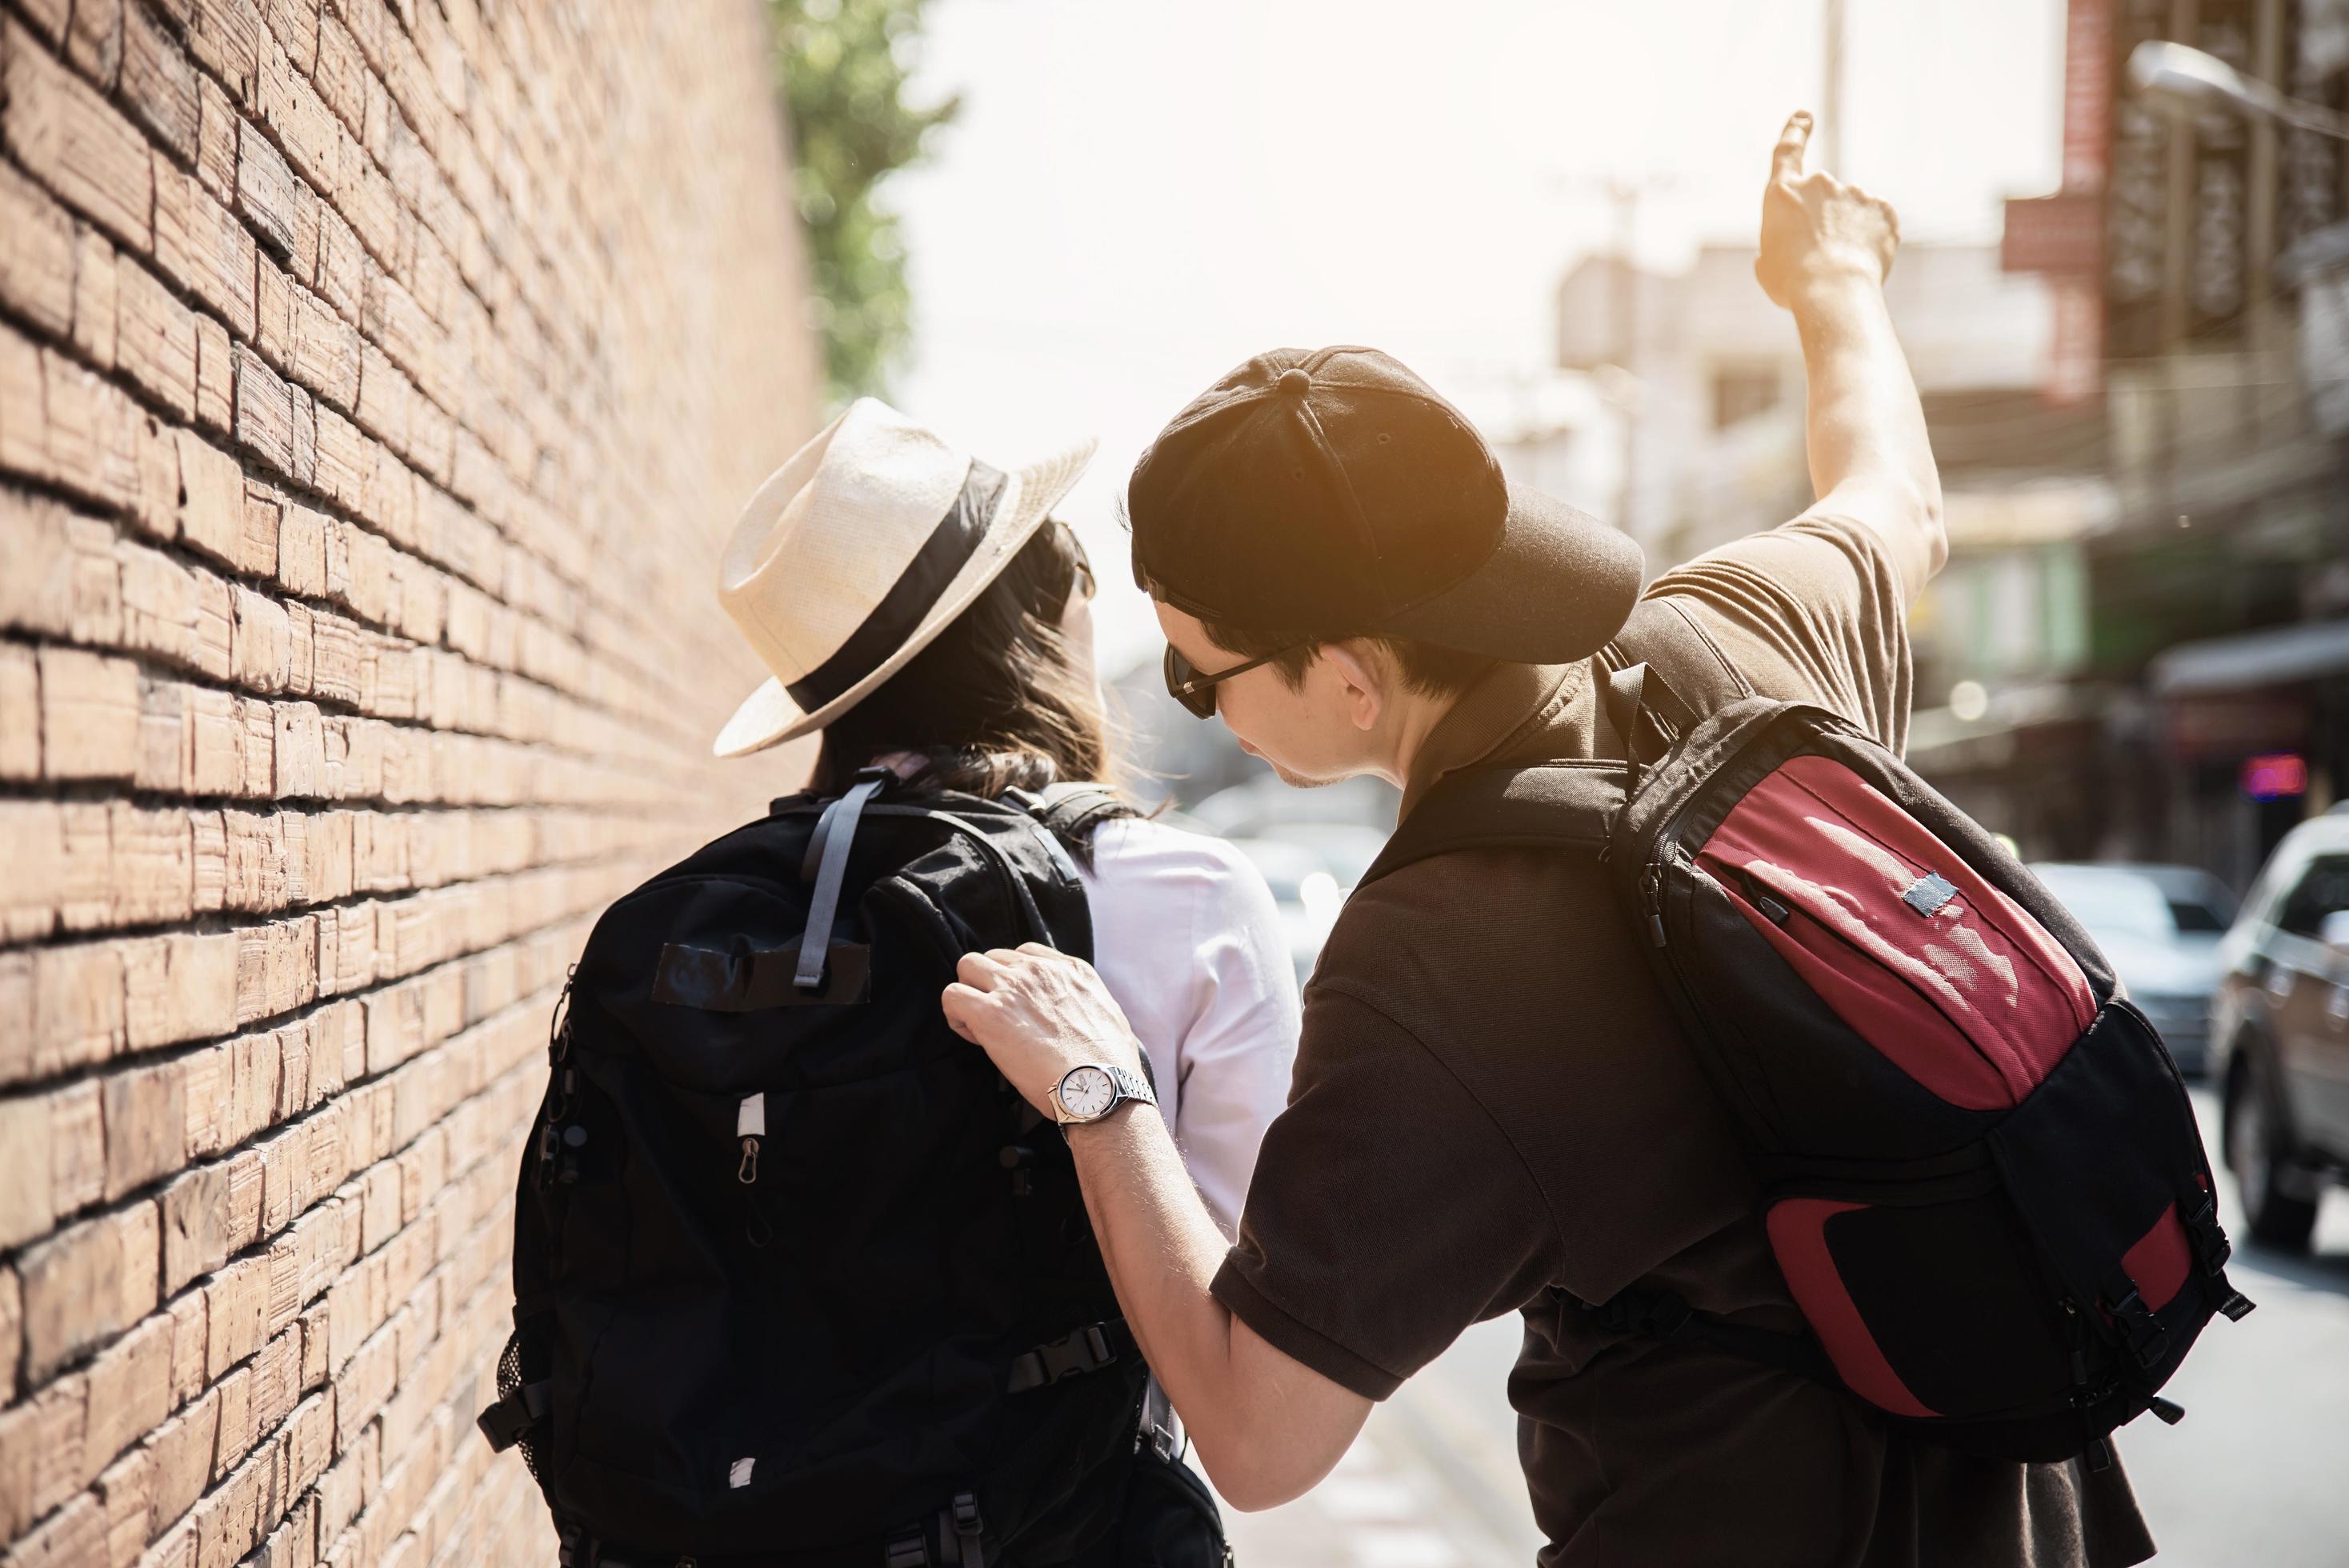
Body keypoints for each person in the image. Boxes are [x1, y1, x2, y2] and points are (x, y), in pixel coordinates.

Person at [938, 114, 2158, 1566]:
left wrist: (1098, 1090)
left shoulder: (1432, 968)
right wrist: (1834, 281)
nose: (1196, 703)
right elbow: (1897, 497)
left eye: (1206, 674)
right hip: (2031, 1511)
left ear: (1348, 669)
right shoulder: (1736, 632)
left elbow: (1261, 1434)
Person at [717, 400, 1299, 1560]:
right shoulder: (1188, 898)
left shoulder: (744, 919)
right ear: (1041, 617)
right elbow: (1252, 1332)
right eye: (1077, 568)